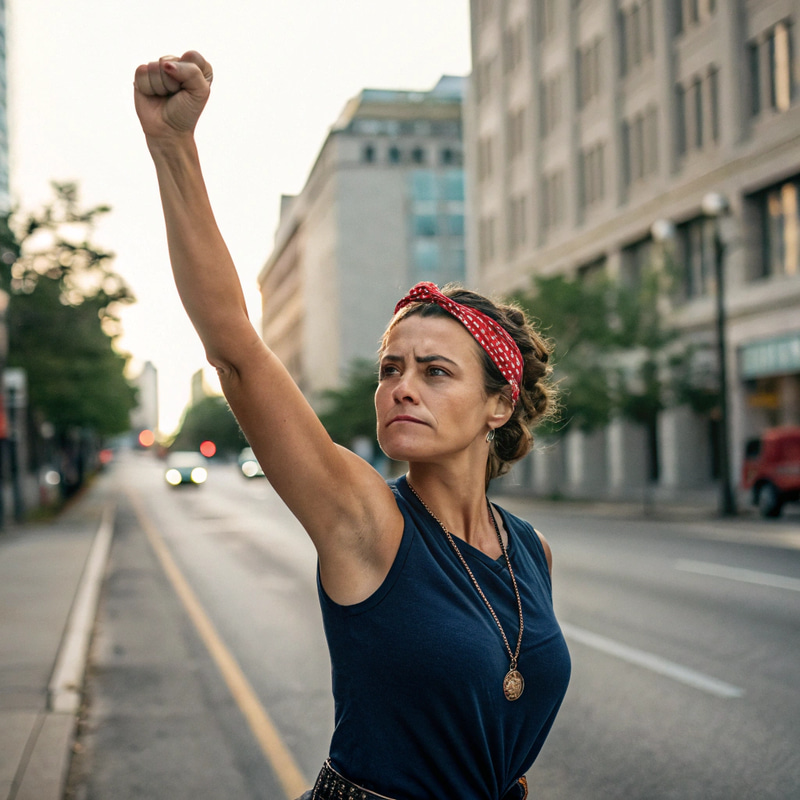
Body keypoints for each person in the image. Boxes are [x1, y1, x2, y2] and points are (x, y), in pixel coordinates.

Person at [134, 51, 571, 800]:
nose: (402, 388)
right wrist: (174, 145)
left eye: (436, 372)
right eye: (390, 369)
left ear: (499, 405)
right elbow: (235, 349)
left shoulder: (532, 551)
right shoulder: (365, 519)